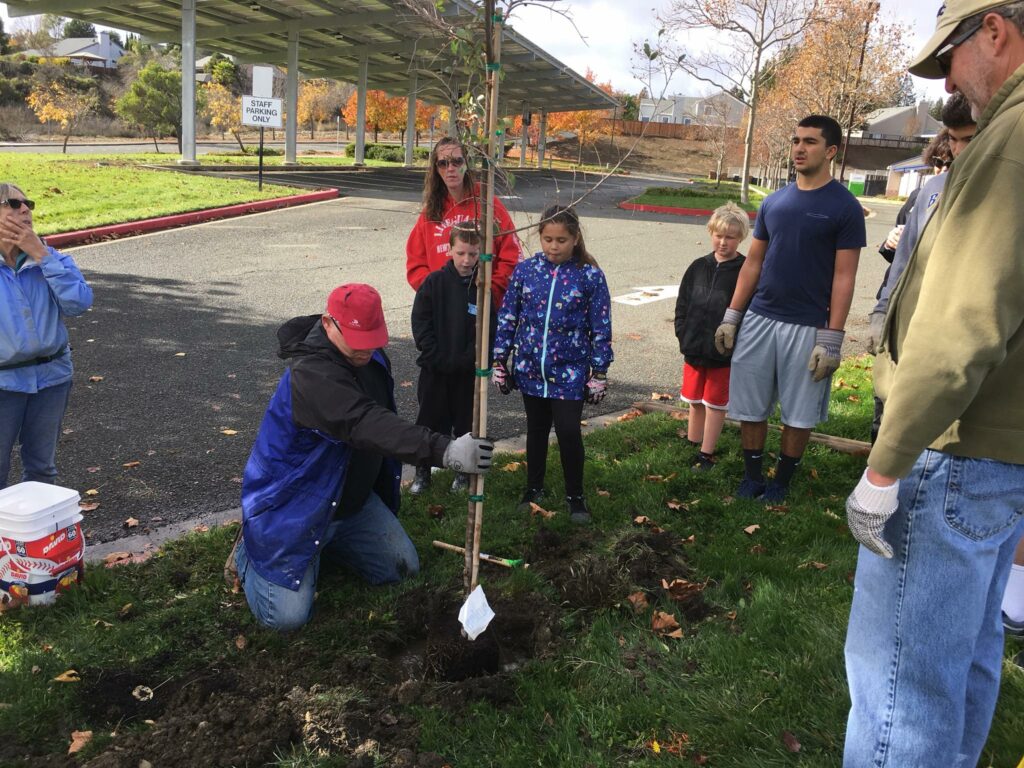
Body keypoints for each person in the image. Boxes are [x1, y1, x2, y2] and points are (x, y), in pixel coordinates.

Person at [843, 0, 1024, 763]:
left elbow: (963, 320)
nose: (946, 79)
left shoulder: (1014, 136)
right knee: (963, 662)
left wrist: (886, 466)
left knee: (901, 686)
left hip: (952, 448)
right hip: (997, 454)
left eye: (948, 54)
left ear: (994, 29)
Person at [231, 283, 494, 631]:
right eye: (357, 340)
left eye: (373, 338)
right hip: (294, 506)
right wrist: (444, 450)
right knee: (286, 619)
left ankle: (328, 546)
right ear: (328, 324)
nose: (366, 350)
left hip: (348, 502)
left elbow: (380, 420)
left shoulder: (370, 356)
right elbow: (366, 423)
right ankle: (247, 553)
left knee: (401, 567)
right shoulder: (311, 376)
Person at [714, 115, 866, 503]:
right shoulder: (774, 201)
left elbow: (844, 277)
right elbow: (753, 262)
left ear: (831, 151)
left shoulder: (844, 207)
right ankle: (752, 477)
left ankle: (780, 482)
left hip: (808, 326)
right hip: (760, 320)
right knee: (751, 405)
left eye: (810, 142)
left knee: (799, 413)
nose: (799, 148)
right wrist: (734, 315)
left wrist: (832, 339)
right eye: (796, 140)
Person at [491, 206, 613, 524]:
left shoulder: (589, 275)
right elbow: (507, 317)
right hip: (530, 367)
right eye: (547, 239)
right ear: (539, 237)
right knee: (536, 430)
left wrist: (599, 371)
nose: (553, 246)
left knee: (569, 431)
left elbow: (601, 326)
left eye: (561, 240)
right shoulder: (526, 271)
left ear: (575, 238)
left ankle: (576, 497)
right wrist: (499, 359)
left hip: (569, 371)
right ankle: (533, 489)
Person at [867, 93, 976, 442]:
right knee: (888, 418)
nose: (958, 151)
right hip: (909, 332)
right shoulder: (932, 188)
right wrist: (882, 312)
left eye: (969, 139)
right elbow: (903, 258)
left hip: (961, 343)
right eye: (953, 139)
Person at [0, 182, 93, 489]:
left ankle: (39, 537)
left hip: (51, 379)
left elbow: (78, 303)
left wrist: (40, 254)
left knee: (42, 471)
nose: (25, 208)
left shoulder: (50, 259)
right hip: (3, 384)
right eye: (13, 204)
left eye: (27, 203)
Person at [409, 222, 496, 495]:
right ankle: (422, 473)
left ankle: (462, 472)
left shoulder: (482, 288)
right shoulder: (434, 283)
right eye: (461, 253)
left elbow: (488, 329)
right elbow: (421, 321)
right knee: (429, 421)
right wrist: (432, 353)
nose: (467, 260)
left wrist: (472, 358)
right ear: (450, 250)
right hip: (435, 369)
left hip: (466, 372)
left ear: (480, 252)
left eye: (473, 254)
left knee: (465, 423)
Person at [406, 137, 523, 309]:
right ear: (436, 169)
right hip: (443, 306)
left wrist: (491, 292)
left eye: (457, 161)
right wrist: (435, 292)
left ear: (467, 164)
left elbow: (512, 256)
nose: (450, 169)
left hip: (482, 307)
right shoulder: (431, 211)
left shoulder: (487, 203)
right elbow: (416, 264)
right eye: (443, 163)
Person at [674, 202, 748, 471]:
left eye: (730, 237)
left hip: (723, 353)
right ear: (710, 233)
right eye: (719, 235)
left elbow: (747, 310)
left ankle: (706, 453)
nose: (723, 242)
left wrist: (736, 343)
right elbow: (682, 303)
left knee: (715, 403)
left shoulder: (745, 270)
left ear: (741, 238)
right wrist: (683, 333)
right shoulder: (697, 266)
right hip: (693, 346)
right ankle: (693, 442)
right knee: (694, 400)